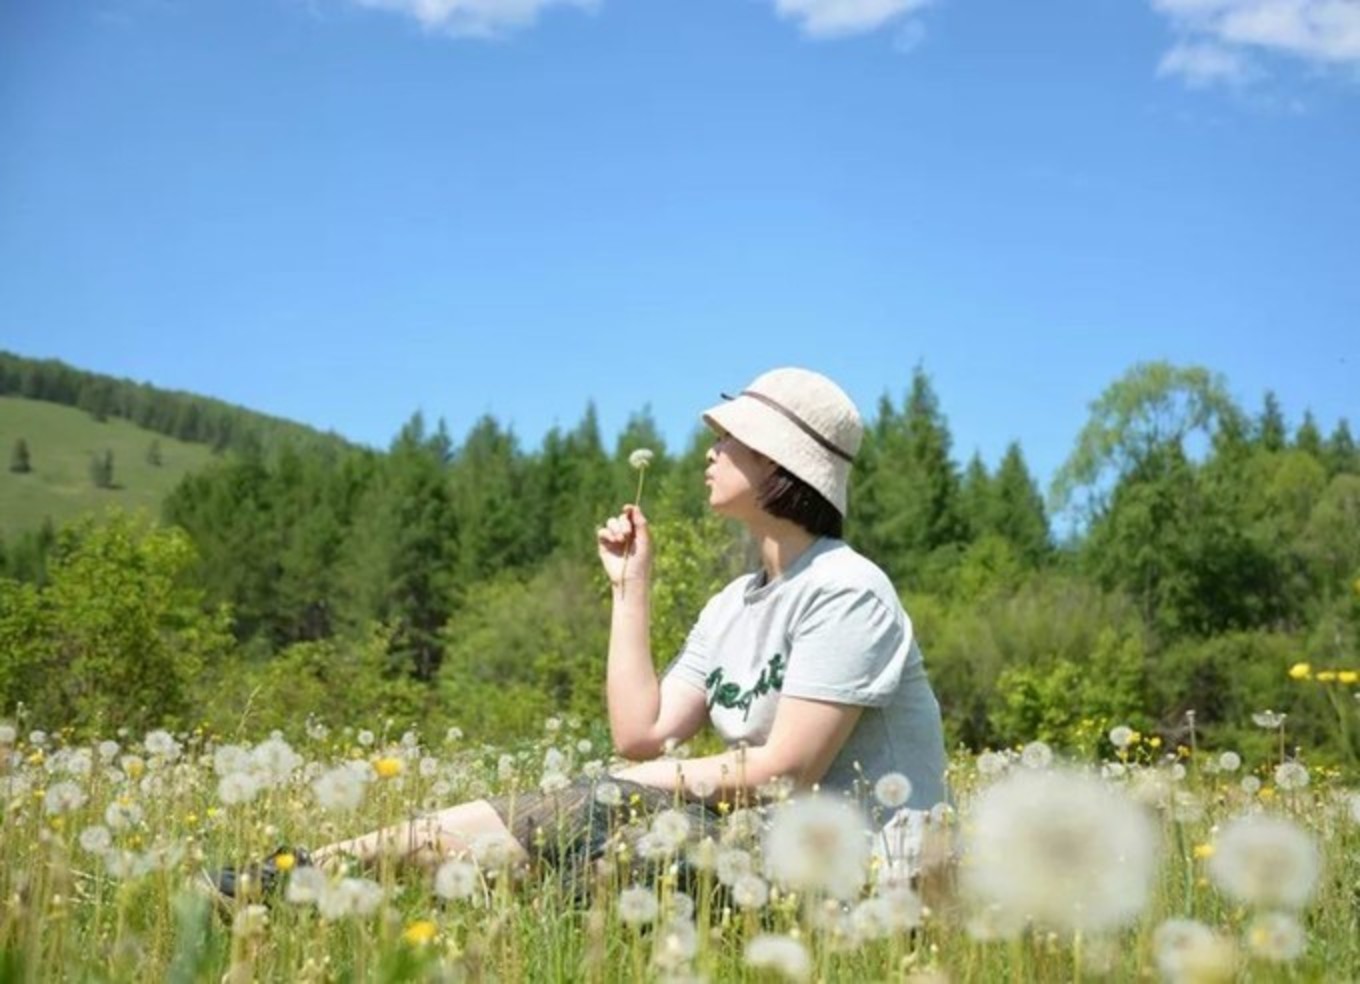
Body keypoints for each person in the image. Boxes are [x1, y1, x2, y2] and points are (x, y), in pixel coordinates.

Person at [210, 367, 948, 900]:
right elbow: (643, 733)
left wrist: (617, 788)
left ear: (784, 466)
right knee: (583, 845)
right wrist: (630, 592)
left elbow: (781, 774)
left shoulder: (849, 592)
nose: (710, 452)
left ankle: (306, 879)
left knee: (600, 833)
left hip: (862, 879)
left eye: (733, 441)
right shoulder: (734, 603)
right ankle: (303, 877)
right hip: (770, 858)